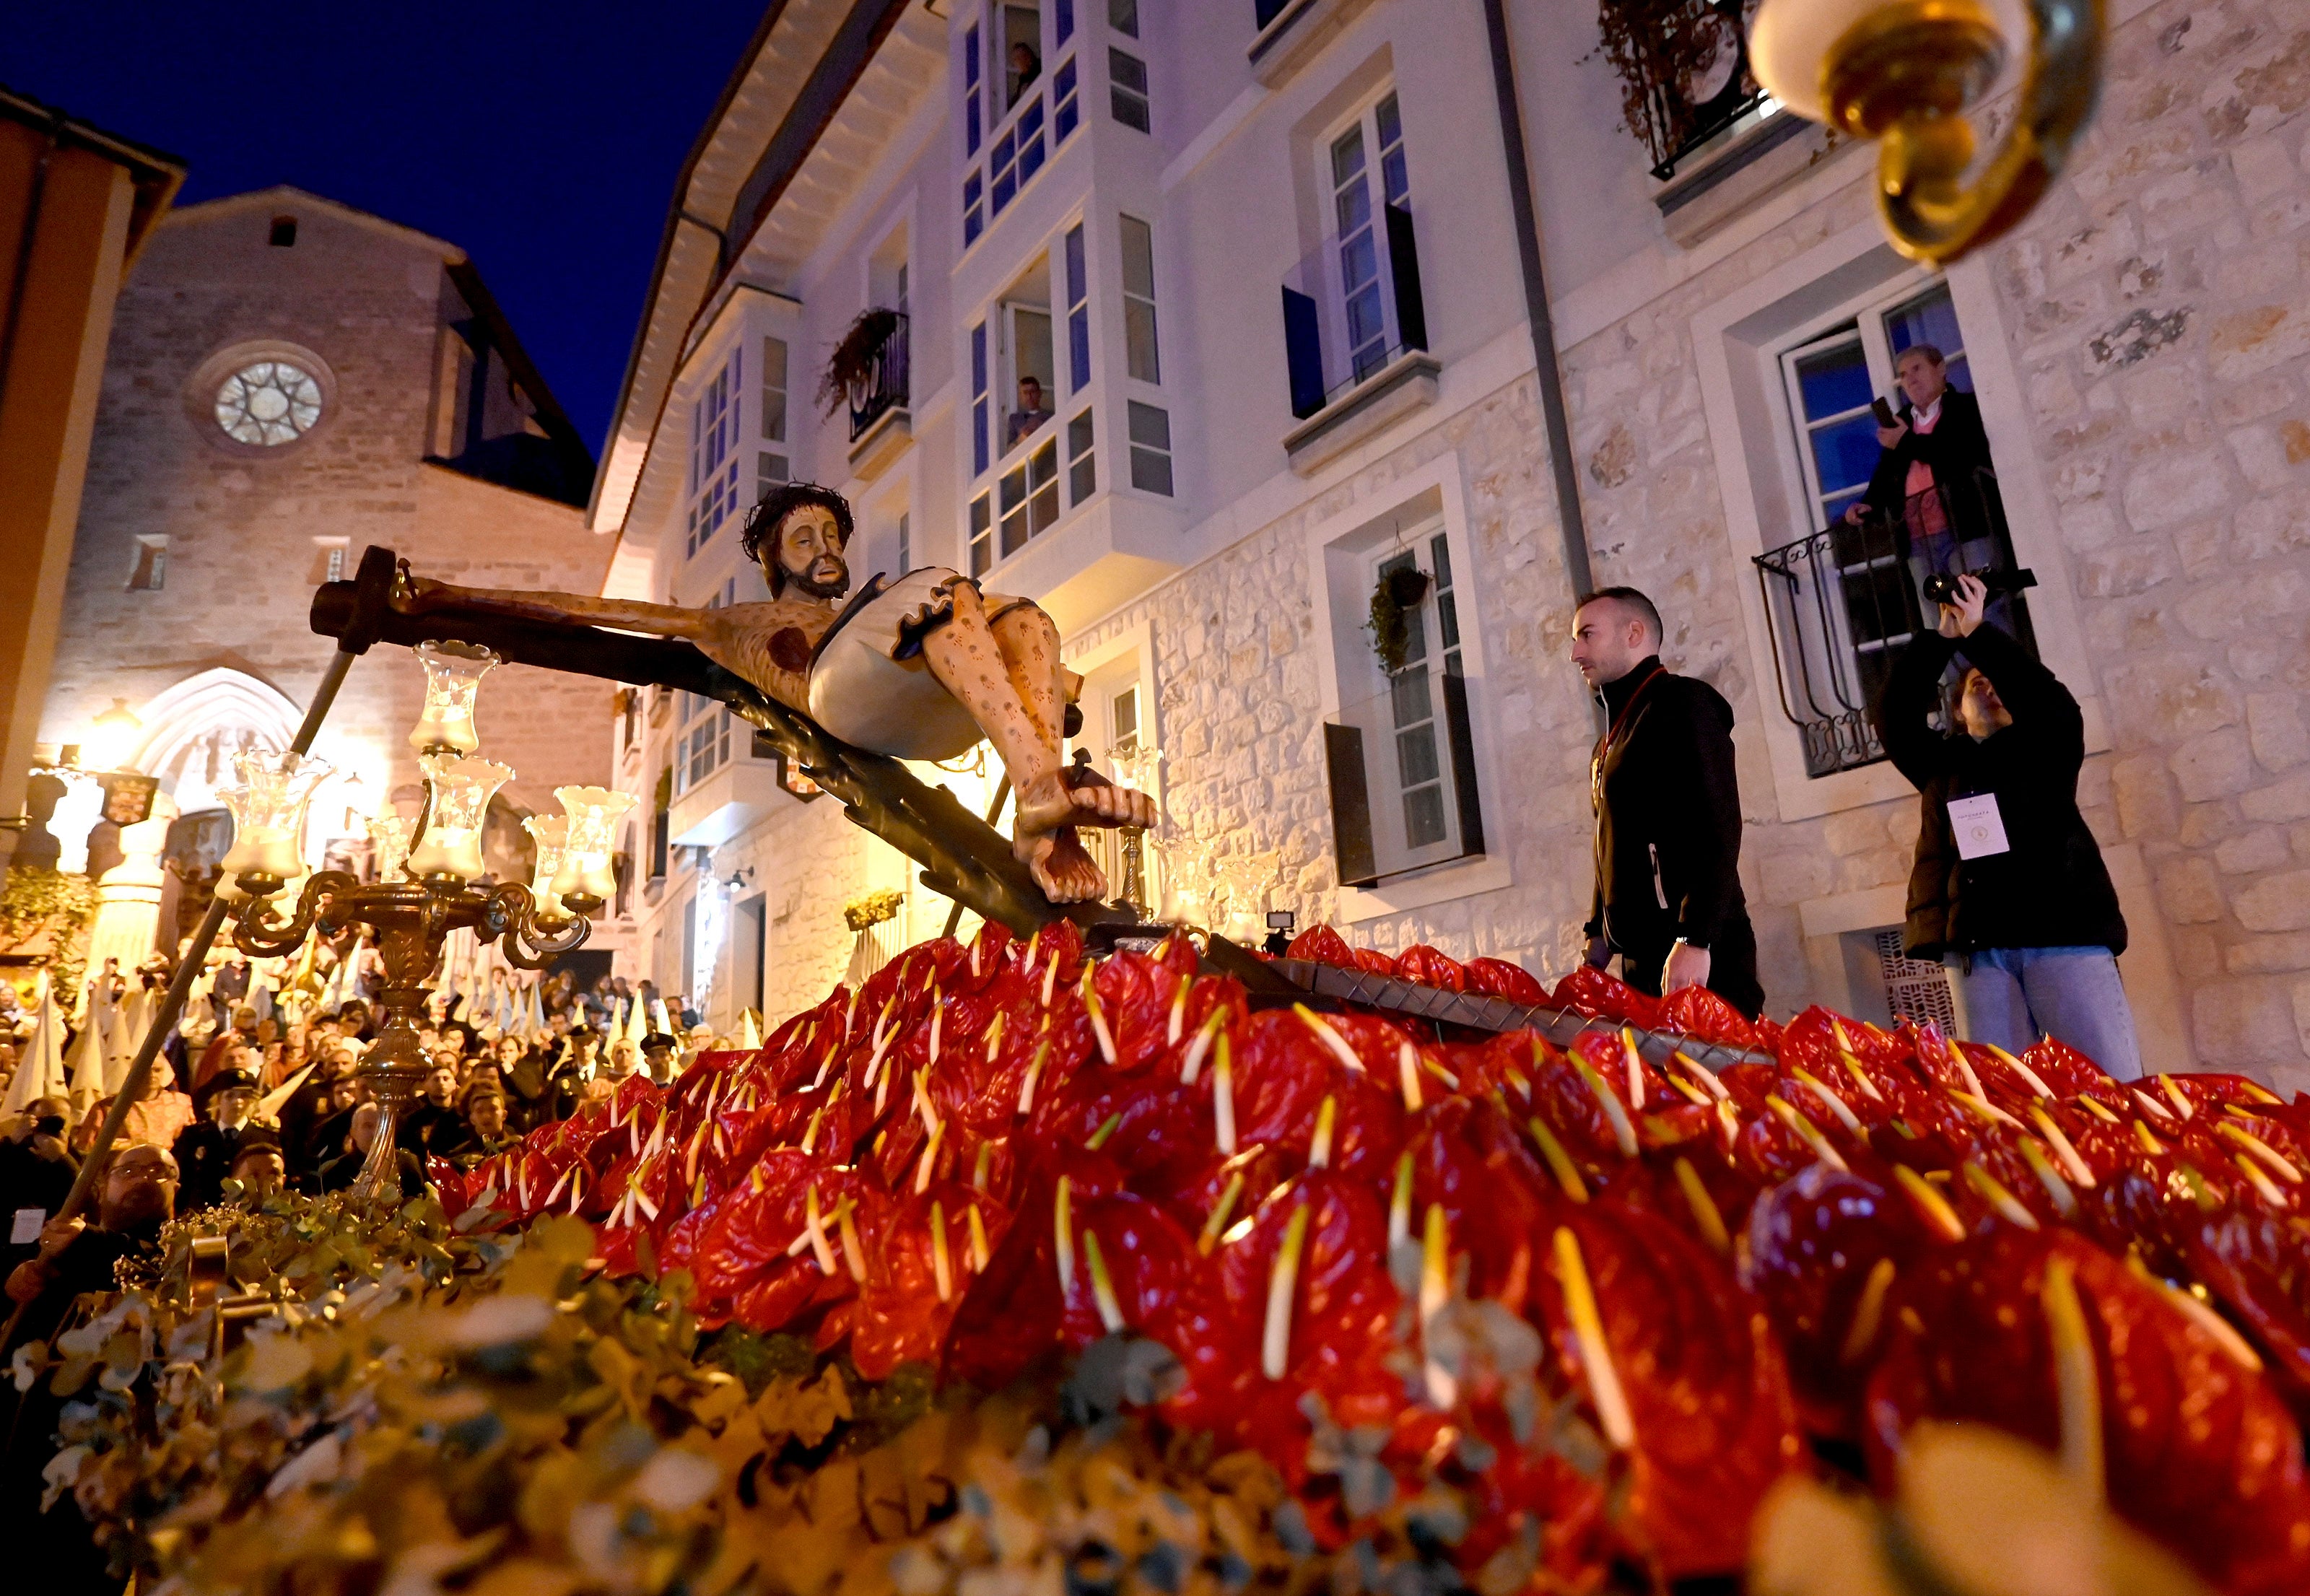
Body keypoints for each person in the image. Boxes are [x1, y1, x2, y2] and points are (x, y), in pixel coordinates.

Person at [398, 481, 1155, 904]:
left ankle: (1041, 807)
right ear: (773, 561)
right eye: (805, 540)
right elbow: (596, 612)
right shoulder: (736, 621)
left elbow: (1005, 645)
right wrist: (455, 595)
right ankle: (1043, 787)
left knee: (1022, 617)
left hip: (916, 701)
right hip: (842, 693)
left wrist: (1042, 685)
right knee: (937, 587)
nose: (825, 550)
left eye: (831, 537)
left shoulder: (899, 619)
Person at [1875, 574, 2141, 1079]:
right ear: (1957, 708)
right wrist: (1942, 640)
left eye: (1998, 684)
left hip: (2063, 938)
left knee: (2109, 1089)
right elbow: (1893, 715)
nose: (1992, 690)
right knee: (2002, 1101)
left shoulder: (2047, 749)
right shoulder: (1940, 765)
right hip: (1981, 955)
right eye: (1978, 684)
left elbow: (2054, 707)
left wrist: (1982, 634)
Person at [1570, 586, 1764, 1019]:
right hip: (1640, 953)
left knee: (1718, 1082)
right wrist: (1597, 939)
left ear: (1633, 632)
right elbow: (1611, 845)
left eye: (1587, 635)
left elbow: (1719, 826)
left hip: (1697, 949)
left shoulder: (1683, 704)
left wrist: (1696, 938)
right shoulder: (1609, 743)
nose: (1575, 653)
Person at [1841, 343, 2003, 608]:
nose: (1910, 379)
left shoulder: (1965, 407)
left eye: (1917, 369)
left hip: (1968, 531)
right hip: (1918, 543)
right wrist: (1868, 504)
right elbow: (1886, 474)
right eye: (1903, 375)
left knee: (1983, 618)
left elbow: (1961, 456)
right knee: (1940, 627)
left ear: (1941, 369)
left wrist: (1904, 441)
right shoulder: (1903, 420)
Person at [172, 1065, 263, 1210]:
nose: (238, 1102)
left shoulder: (263, 1137)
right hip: (201, 1214)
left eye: (244, 1096)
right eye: (230, 1096)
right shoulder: (195, 1136)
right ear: (218, 1100)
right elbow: (182, 1177)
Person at [317, 1102, 425, 1199]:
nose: (376, 1133)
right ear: (353, 1132)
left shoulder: (406, 1162)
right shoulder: (336, 1170)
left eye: (381, 1125)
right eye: (368, 1126)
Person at [1006, 375, 1053, 448]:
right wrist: (1023, 436)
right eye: (1025, 393)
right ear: (1020, 396)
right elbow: (1009, 450)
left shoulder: (1050, 416)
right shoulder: (1015, 419)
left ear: (1039, 393)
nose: (1029, 396)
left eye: (1032, 392)